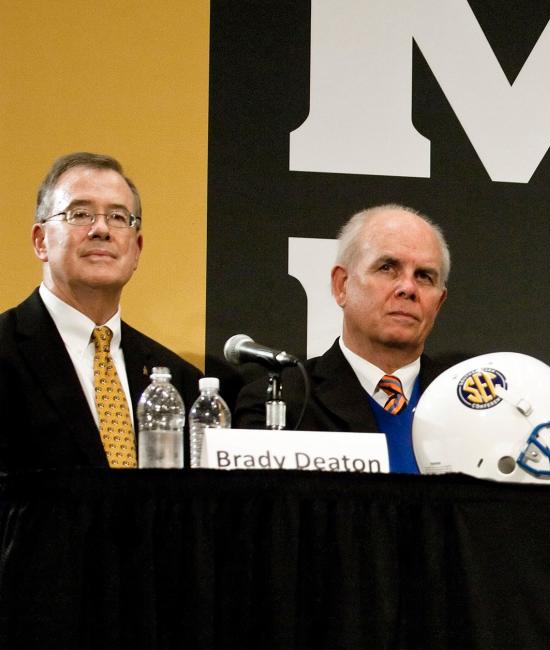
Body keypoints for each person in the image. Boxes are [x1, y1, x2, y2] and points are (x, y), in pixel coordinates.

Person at [0, 152, 201, 472]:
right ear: (41, 241)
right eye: (80, 214)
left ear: (136, 250)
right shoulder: (7, 351)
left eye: (119, 217)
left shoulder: (182, 382)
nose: (102, 229)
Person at [233, 205, 453, 473]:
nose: (408, 288)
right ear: (341, 285)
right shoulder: (280, 404)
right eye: (387, 268)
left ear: (439, 303)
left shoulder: (471, 406)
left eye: (424, 276)